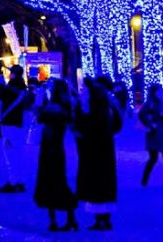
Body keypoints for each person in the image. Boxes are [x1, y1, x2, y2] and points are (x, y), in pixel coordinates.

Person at [76, 77, 121, 230]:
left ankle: (100, 219)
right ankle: (106, 218)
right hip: (107, 146)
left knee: (96, 181)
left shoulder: (93, 109)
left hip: (94, 148)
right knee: (106, 180)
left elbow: (85, 126)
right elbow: (117, 125)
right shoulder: (110, 106)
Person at [35, 79, 78, 232]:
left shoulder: (54, 107)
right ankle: (69, 218)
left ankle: (55, 220)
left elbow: (39, 116)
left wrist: (40, 100)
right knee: (57, 181)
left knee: (51, 182)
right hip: (57, 147)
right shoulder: (66, 107)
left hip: (50, 147)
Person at [0, 64, 29, 193]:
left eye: (11, 72)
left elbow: (1, 96)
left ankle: (12, 182)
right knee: (18, 153)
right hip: (19, 123)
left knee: (9, 152)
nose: (9, 73)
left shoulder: (12, 87)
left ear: (14, 74)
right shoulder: (22, 87)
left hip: (10, 123)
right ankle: (19, 181)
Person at [138, 84, 163, 187]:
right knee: (153, 158)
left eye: (161, 91)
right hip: (155, 133)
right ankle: (144, 180)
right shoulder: (150, 103)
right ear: (154, 92)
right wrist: (151, 124)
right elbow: (142, 114)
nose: (160, 93)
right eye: (158, 91)